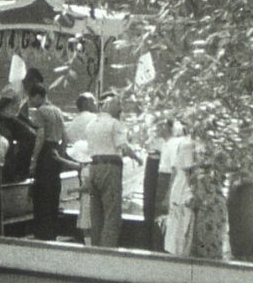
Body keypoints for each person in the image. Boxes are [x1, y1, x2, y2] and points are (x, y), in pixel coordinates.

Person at [85, 93, 143, 247]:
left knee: (96, 213)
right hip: (110, 167)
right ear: (110, 106)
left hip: (93, 167)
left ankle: (95, 248)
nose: (121, 108)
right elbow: (123, 147)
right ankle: (108, 250)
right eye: (118, 104)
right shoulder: (115, 124)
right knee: (112, 214)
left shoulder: (91, 124)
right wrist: (137, 158)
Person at [28, 83, 68, 240]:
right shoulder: (58, 111)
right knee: (53, 192)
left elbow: (40, 137)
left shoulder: (41, 111)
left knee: (41, 194)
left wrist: (33, 160)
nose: (30, 102)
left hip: (45, 153)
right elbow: (65, 137)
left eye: (31, 98)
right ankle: (53, 231)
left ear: (38, 96)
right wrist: (61, 156)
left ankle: (42, 233)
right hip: (56, 151)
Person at [0, 87, 36, 183]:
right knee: (8, 145)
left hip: (11, 120)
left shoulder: (25, 94)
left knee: (30, 136)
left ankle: (20, 171)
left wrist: (31, 124)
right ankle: (7, 177)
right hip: (1, 121)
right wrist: (6, 119)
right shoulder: (14, 90)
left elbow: (17, 112)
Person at [163, 127, 196, 256]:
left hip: (180, 188)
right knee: (181, 229)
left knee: (178, 229)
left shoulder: (185, 144)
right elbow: (189, 172)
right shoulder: (188, 145)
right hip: (184, 190)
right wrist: (195, 192)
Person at [142, 118, 173, 251]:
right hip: (153, 163)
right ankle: (148, 241)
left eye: (162, 125)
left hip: (163, 165)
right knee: (148, 203)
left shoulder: (172, 139)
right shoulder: (154, 133)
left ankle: (160, 243)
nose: (158, 127)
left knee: (160, 206)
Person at [66, 140, 93, 245]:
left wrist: (74, 190)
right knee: (88, 223)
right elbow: (76, 165)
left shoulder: (86, 170)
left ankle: (89, 245)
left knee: (86, 224)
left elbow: (87, 186)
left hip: (87, 199)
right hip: (88, 198)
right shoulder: (89, 167)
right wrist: (60, 159)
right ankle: (90, 244)